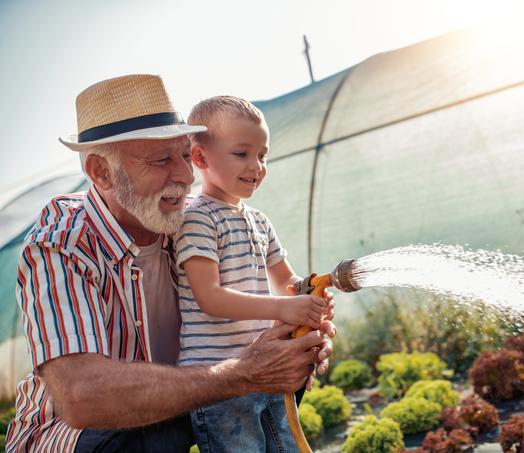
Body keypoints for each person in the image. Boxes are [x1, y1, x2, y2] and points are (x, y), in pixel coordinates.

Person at [4, 74, 335, 453]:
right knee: (149, 440)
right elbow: (84, 398)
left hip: (184, 403)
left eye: (183, 154)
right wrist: (246, 371)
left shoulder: (187, 224)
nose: (186, 175)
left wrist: (296, 340)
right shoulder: (61, 245)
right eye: (162, 160)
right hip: (77, 436)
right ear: (101, 172)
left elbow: (255, 311)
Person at [173, 96, 328, 452]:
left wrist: (308, 296)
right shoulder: (197, 218)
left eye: (262, 155)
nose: (256, 165)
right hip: (219, 383)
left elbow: (287, 283)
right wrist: (282, 309)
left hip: (268, 370)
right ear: (200, 158)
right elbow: (208, 297)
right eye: (242, 154)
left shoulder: (259, 220)